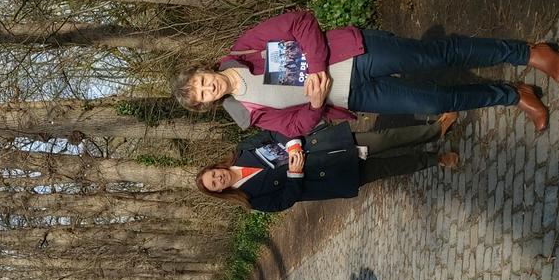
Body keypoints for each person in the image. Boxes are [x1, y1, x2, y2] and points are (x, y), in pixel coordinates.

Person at [170, 9, 559, 134]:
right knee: (438, 100)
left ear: (205, 70)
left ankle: (528, 52)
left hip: (359, 55)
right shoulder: (249, 112)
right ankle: (515, 95)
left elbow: (302, 22)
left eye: (202, 81)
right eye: (204, 94)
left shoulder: (247, 47)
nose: (208, 87)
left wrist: (319, 67)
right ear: (209, 104)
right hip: (352, 95)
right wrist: (315, 102)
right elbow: (297, 128)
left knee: (436, 57)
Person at [195, 118, 459, 212]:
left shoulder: (244, 150)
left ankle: (435, 130)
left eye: (214, 175)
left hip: (325, 147)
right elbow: (285, 201)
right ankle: (434, 159)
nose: (218, 179)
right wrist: (294, 174)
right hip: (326, 177)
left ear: (215, 167)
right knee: (388, 168)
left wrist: (292, 145)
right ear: (218, 192)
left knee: (384, 139)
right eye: (215, 184)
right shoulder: (249, 199)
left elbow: (274, 131)